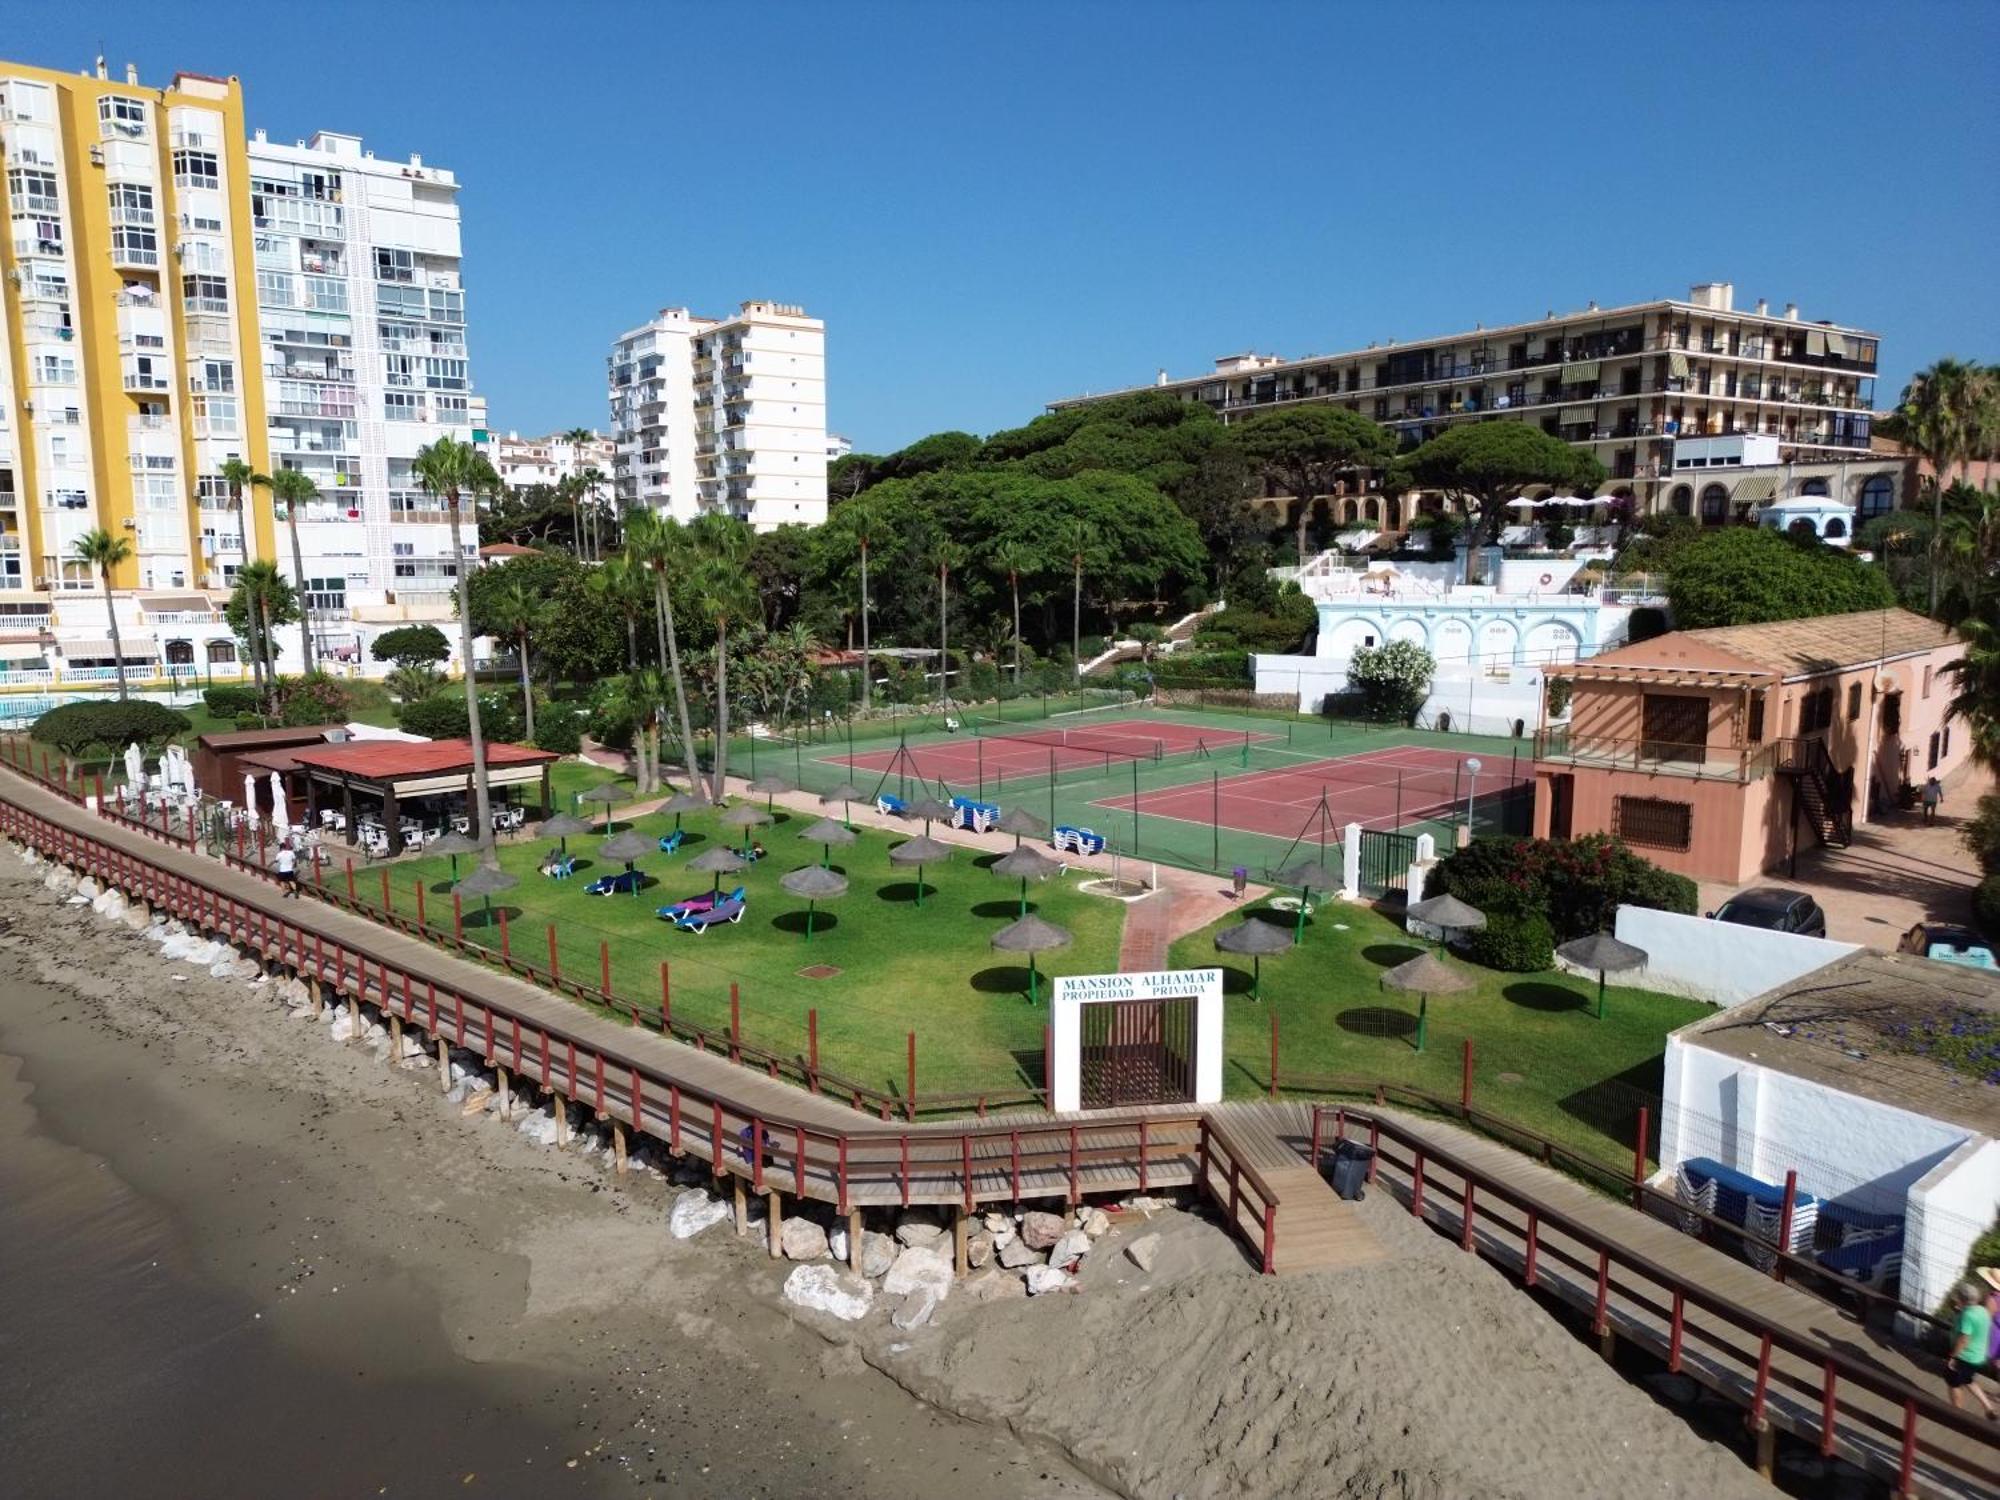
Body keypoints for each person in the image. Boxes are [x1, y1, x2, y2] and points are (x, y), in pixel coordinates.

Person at [1945, 1280, 1997, 1416]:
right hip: (1978, 1356)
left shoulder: (1967, 1315)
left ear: (1962, 1299)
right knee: (1968, 1379)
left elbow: (1964, 1339)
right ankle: (1988, 1407)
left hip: (1965, 1356)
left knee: (1953, 1382)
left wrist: (1953, 1357)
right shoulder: (1982, 1310)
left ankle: (1958, 1414)